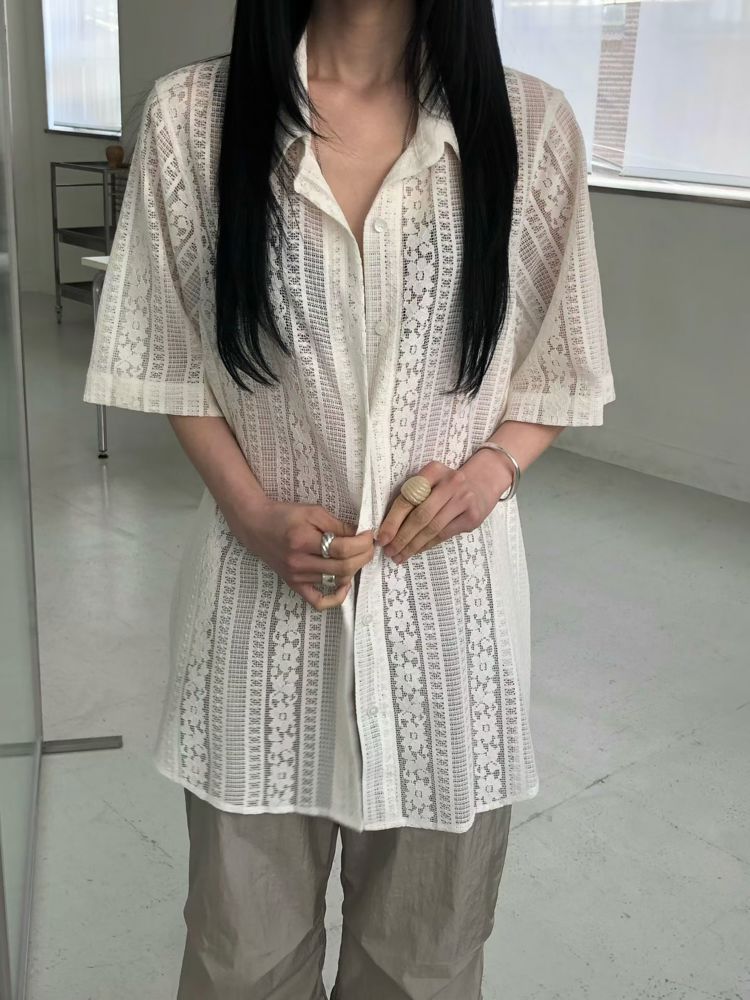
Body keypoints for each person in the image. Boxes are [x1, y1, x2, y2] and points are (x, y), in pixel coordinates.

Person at [83, 0, 616, 997]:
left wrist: (488, 473)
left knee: (424, 964)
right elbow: (166, 354)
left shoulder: (529, 126)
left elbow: (559, 363)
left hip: (451, 635)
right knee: (241, 964)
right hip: (257, 627)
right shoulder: (193, 119)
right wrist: (252, 514)